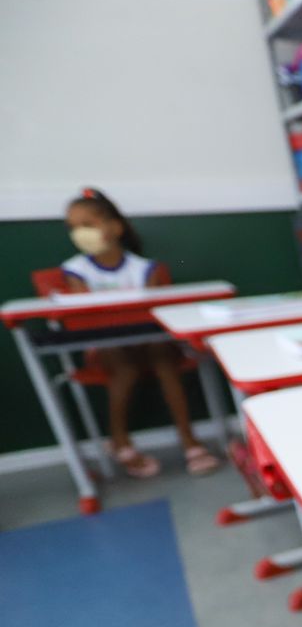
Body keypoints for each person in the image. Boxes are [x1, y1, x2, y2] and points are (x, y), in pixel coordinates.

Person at [60, 188, 220, 477]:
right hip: (106, 347)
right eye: (73, 227)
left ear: (115, 227)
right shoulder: (76, 271)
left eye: (88, 225)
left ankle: (188, 439)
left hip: (149, 342)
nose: (79, 233)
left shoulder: (145, 269)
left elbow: (161, 316)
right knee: (124, 366)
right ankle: (119, 439)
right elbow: (87, 321)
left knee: (164, 358)